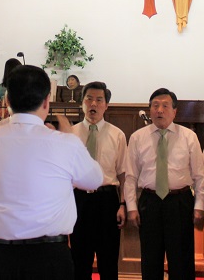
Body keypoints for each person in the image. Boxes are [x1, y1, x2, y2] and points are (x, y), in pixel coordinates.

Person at [0, 65, 103, 280]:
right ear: (46, 101)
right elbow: (94, 180)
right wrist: (71, 137)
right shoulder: (65, 143)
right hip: (49, 257)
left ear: (7, 100)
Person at [125, 88, 204, 280]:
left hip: (180, 202)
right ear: (150, 110)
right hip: (150, 202)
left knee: (181, 260)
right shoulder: (137, 137)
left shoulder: (189, 136)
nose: (159, 110)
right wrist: (131, 207)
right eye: (155, 106)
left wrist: (199, 206)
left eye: (165, 106)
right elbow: (130, 176)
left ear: (175, 111)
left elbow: (199, 175)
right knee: (150, 259)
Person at [70, 81, 127, 280]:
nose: (93, 104)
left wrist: (122, 204)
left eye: (99, 100)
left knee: (108, 259)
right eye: (89, 99)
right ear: (82, 103)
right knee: (79, 259)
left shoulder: (117, 135)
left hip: (107, 201)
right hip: (78, 201)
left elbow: (123, 173)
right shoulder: (70, 134)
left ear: (106, 105)